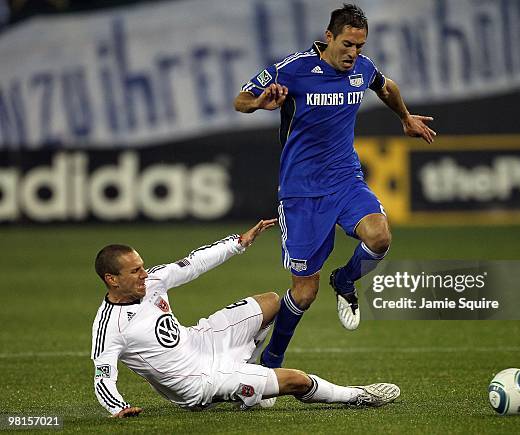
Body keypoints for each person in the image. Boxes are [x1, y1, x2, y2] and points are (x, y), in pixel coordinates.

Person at [235, 4, 436, 370]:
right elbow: (241, 99)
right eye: (347, 44)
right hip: (301, 192)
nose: (353, 53)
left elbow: (386, 86)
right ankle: (270, 362)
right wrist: (259, 104)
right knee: (304, 292)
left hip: (346, 179)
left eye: (360, 45)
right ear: (329, 37)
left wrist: (405, 117)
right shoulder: (292, 69)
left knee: (379, 237)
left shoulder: (363, 68)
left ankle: (344, 280)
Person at [91, 219, 400, 417]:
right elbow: (103, 377)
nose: (145, 274)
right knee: (297, 380)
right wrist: (118, 407)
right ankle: (358, 395)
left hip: (202, 339)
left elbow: (194, 263)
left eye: (143, 266)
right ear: (112, 280)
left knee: (270, 303)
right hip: (200, 382)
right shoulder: (110, 327)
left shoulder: (153, 281)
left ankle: (255, 374)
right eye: (135, 271)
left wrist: (237, 243)